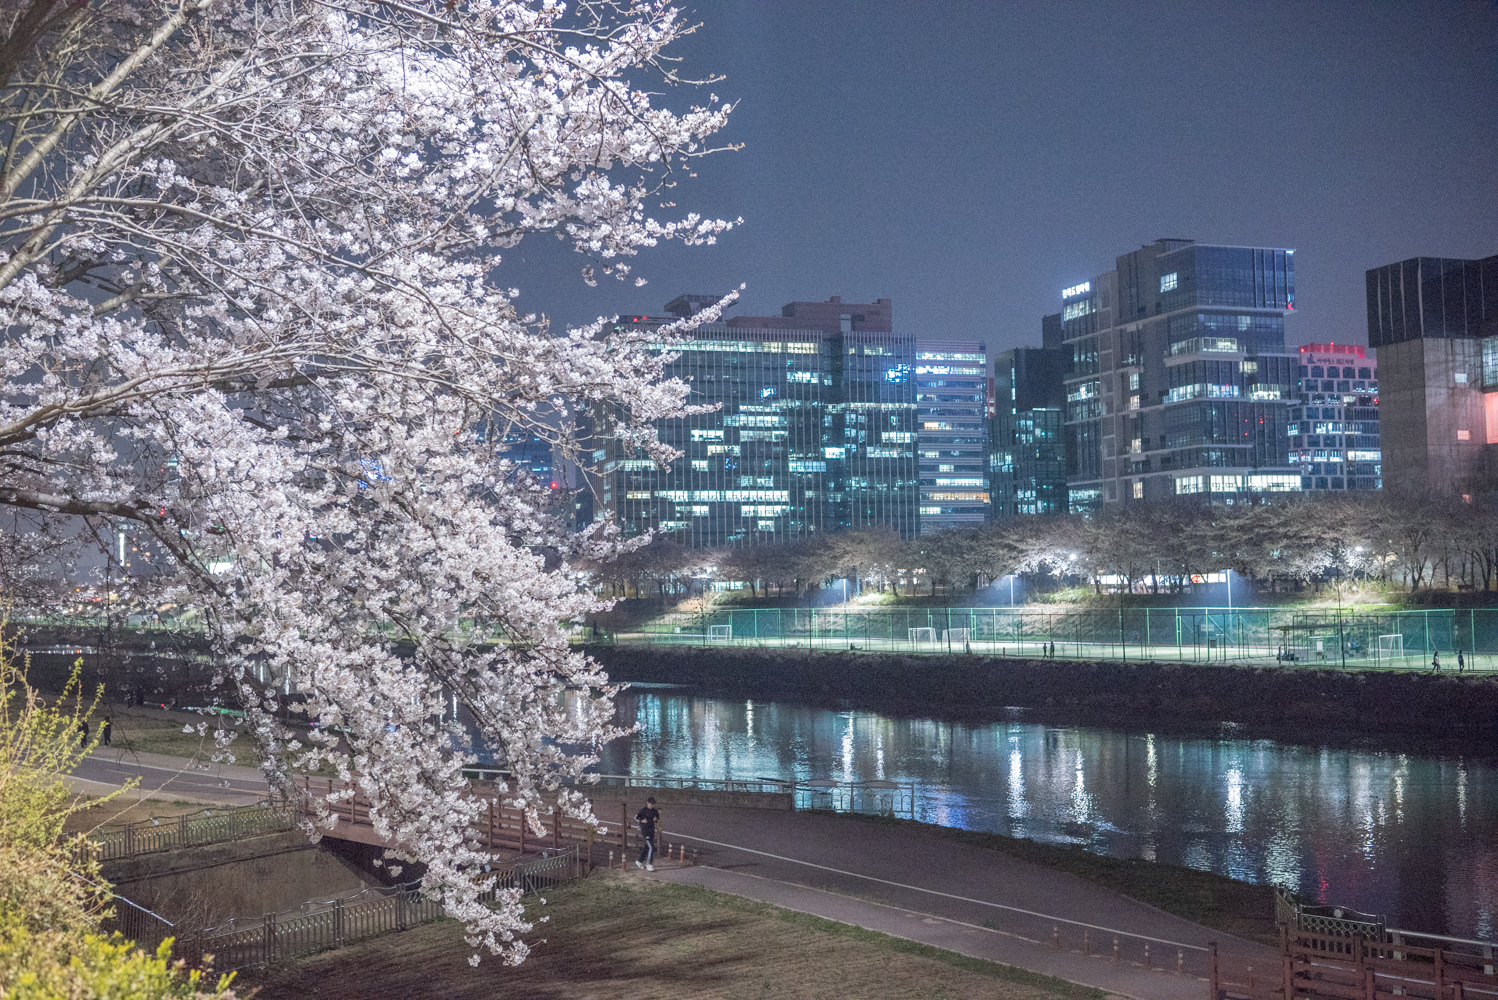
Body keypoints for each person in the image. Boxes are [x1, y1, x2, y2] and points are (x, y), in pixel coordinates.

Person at [634, 796, 660, 871]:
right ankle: (649, 863)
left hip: (651, 831)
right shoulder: (643, 811)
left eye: (653, 804)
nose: (652, 806)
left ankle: (639, 861)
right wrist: (641, 821)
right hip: (645, 831)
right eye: (651, 804)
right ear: (647, 803)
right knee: (651, 847)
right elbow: (635, 817)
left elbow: (657, 818)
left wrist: (656, 819)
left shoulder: (655, 811)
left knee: (647, 847)